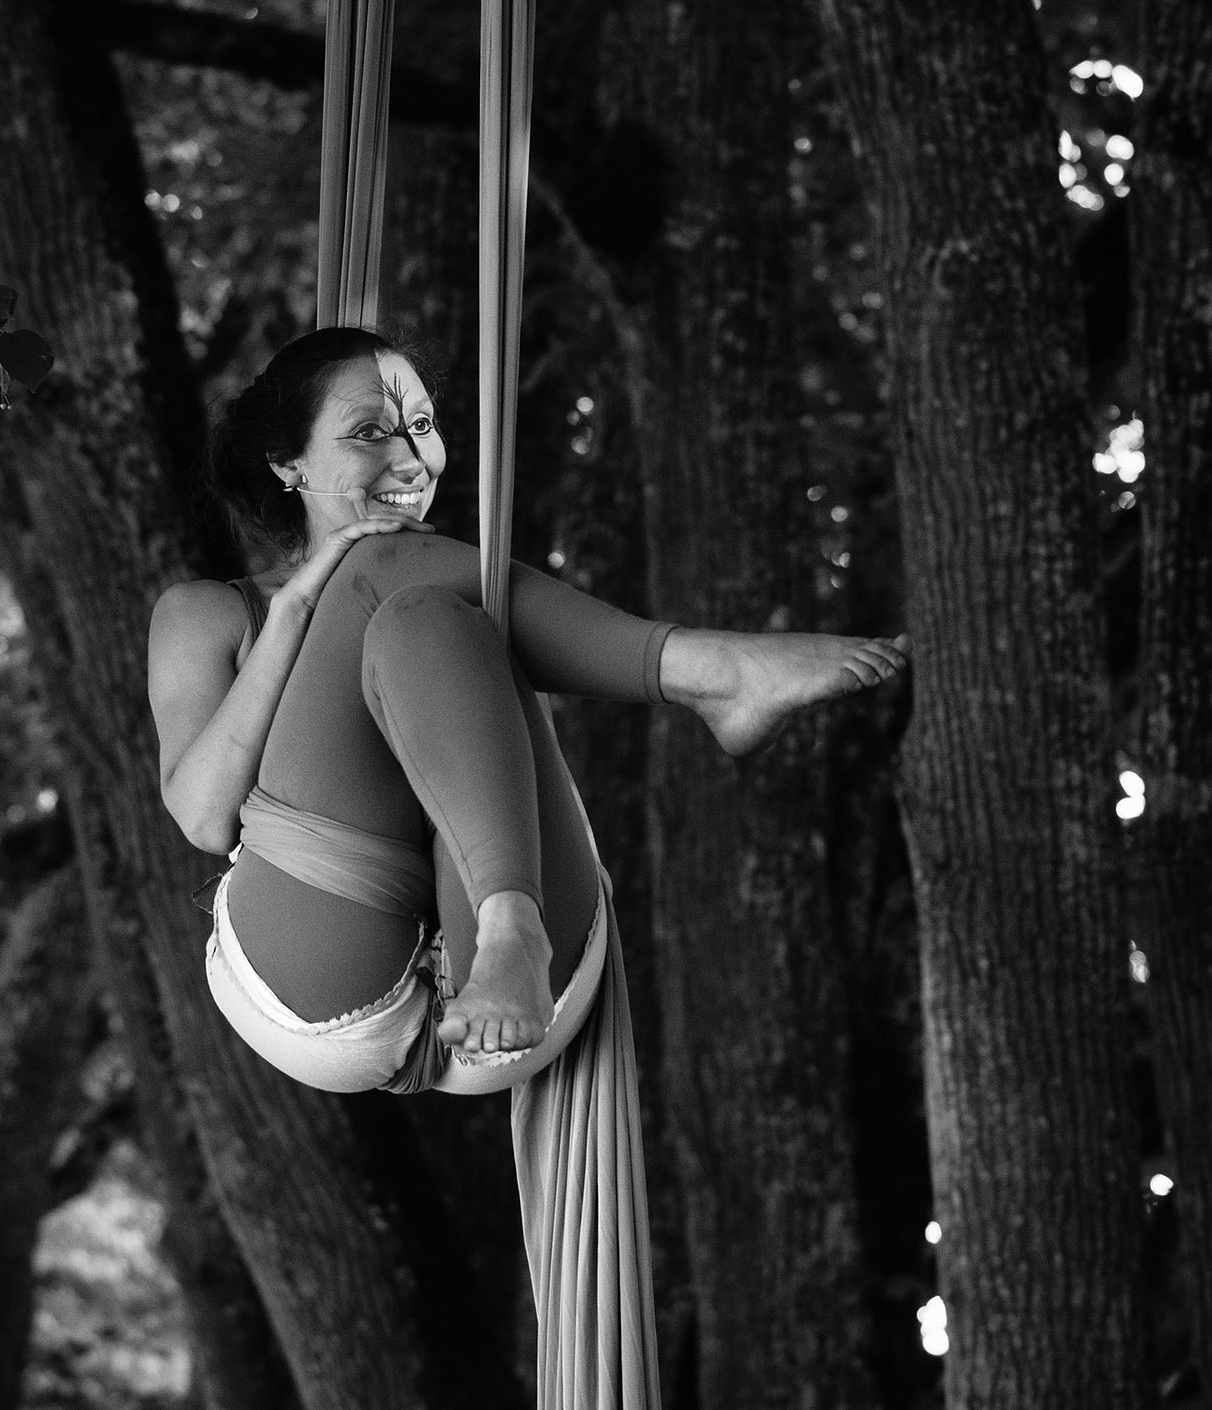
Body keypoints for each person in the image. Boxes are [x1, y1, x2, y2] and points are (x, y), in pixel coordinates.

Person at [148, 326, 909, 1081]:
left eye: (420, 426)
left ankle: (511, 922)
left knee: (422, 618)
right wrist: (290, 616)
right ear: (288, 465)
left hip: (525, 973)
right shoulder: (207, 614)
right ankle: (708, 670)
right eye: (370, 432)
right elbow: (204, 816)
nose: (411, 459)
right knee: (389, 573)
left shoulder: (449, 598)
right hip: (316, 968)